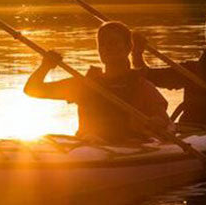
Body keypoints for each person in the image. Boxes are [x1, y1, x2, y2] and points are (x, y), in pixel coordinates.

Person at [24, 20, 169, 143]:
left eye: (112, 43)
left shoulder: (141, 86)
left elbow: (163, 118)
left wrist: (158, 122)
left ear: (128, 48)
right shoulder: (85, 84)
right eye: (102, 44)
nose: (106, 48)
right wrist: (45, 66)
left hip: (129, 147)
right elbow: (32, 89)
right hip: (89, 147)